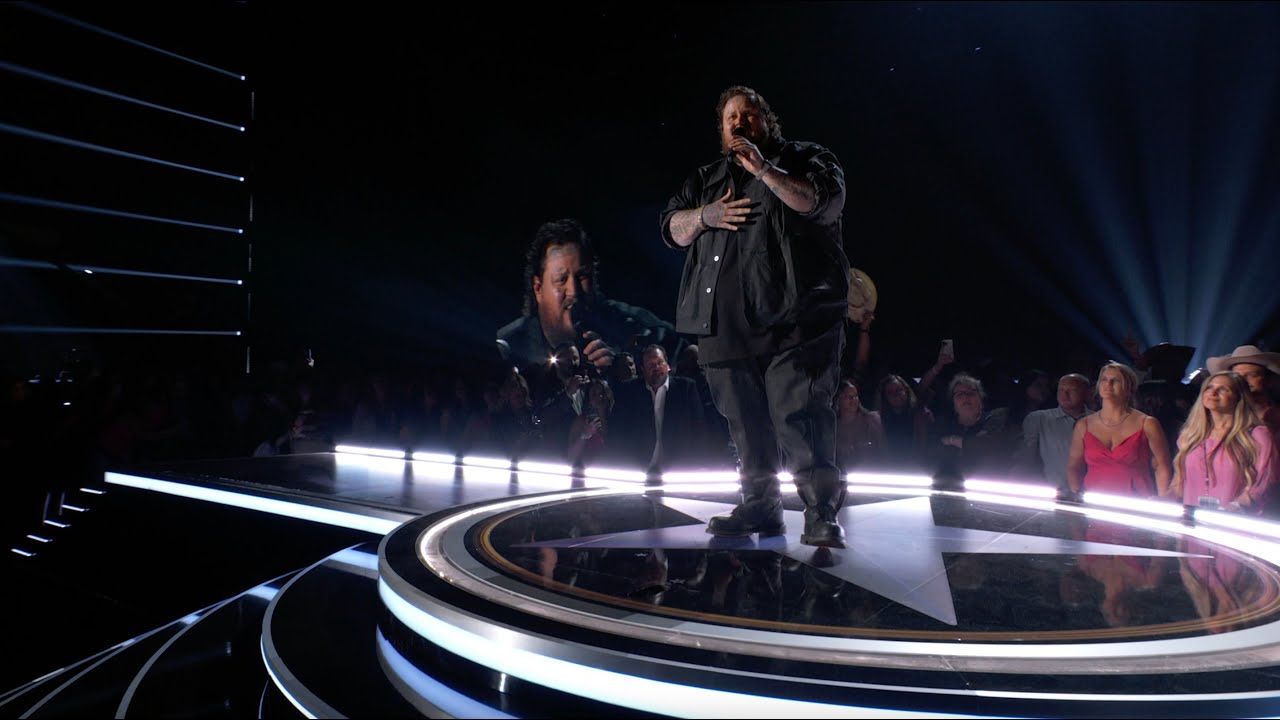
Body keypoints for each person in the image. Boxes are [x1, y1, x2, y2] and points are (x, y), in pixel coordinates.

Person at [660, 85, 849, 547]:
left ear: (767, 120)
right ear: (721, 130)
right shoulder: (705, 179)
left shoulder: (804, 158)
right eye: (731, 118)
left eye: (749, 114)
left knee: (799, 417)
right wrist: (705, 215)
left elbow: (821, 201)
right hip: (723, 328)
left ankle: (820, 511)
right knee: (744, 425)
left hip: (794, 323)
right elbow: (672, 228)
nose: (740, 123)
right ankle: (760, 505)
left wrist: (764, 171)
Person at [496, 218, 681, 399]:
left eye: (582, 276)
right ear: (538, 289)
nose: (573, 291)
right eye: (561, 280)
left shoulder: (642, 330)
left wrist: (625, 379)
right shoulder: (509, 346)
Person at [1169, 371, 1276, 514]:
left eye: (1223, 389)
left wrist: (1236, 506)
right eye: (1209, 387)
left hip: (1234, 522)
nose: (1213, 393)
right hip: (1192, 520)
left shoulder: (1257, 435)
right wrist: (1163, 499)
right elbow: (1178, 484)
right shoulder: (1190, 436)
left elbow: (1264, 482)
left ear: (1238, 398)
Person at [1066, 362, 1173, 499]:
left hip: (1137, 501)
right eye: (1104, 379)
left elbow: (1162, 466)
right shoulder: (1084, 425)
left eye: (1115, 380)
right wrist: (1076, 496)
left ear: (1130, 388)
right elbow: (1074, 466)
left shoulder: (1147, 424)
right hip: (1095, 502)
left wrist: (1162, 500)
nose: (1108, 384)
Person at [611, 345, 709, 474]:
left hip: (679, 467)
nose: (656, 368)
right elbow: (618, 429)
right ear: (643, 369)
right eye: (650, 364)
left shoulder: (686, 388)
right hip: (638, 468)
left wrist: (698, 463)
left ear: (667, 365)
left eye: (659, 362)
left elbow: (699, 428)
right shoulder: (629, 391)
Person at [927, 373, 1017, 486]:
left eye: (971, 393)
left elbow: (988, 446)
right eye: (960, 394)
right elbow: (932, 453)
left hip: (986, 483)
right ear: (953, 402)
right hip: (949, 485)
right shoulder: (943, 425)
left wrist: (951, 440)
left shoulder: (996, 416)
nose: (966, 397)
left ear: (981, 398)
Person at [1012, 373, 1092, 493]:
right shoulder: (1039, 419)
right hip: (1052, 490)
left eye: (1072, 390)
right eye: (1061, 390)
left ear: (1086, 393)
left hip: (1092, 491)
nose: (1065, 395)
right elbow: (1025, 457)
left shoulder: (1099, 420)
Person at [1207, 345, 1280, 433]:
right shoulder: (1220, 417)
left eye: (1251, 375)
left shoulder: (1276, 416)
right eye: (1237, 376)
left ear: (1268, 379)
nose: (1243, 380)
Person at [833, 379, 886, 472]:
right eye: (847, 396)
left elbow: (884, 450)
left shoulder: (871, 420)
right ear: (838, 400)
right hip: (843, 475)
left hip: (872, 473)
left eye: (855, 396)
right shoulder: (833, 426)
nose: (853, 400)